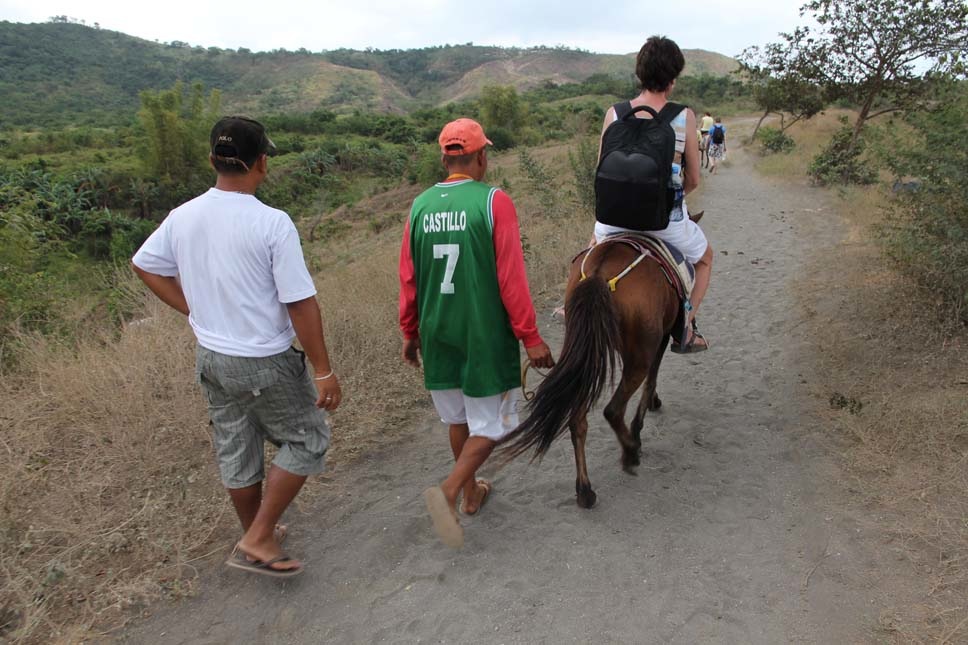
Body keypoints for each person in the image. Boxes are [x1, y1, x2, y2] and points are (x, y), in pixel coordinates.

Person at [132, 116, 341, 577]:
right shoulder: (272, 223)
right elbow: (300, 303)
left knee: (237, 444)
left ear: (213, 160)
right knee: (308, 438)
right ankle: (260, 534)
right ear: (262, 163)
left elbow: (145, 264)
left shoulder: (183, 216)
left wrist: (193, 309)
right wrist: (323, 370)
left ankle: (255, 534)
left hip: (211, 356)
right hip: (263, 358)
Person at [399, 118, 554, 548]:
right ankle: (449, 492)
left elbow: (408, 278)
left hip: (437, 329)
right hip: (481, 332)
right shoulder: (494, 201)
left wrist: (409, 331)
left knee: (458, 418)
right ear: (482, 156)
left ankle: (472, 495)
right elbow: (510, 277)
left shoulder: (420, 206)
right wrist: (530, 336)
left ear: (445, 157)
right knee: (492, 425)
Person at [594, 36, 713, 352]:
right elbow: (694, 179)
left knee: (588, 259)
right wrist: (674, 198)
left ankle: (571, 307)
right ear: (673, 79)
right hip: (665, 221)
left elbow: (599, 171)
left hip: (612, 220)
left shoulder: (615, 114)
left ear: (639, 74)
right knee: (705, 260)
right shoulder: (683, 116)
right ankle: (686, 327)